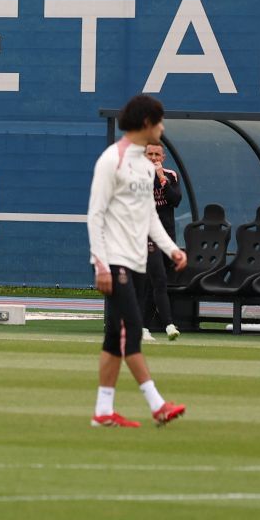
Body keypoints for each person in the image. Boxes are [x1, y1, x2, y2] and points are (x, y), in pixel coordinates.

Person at [85, 94, 187, 428]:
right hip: (114, 262)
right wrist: (100, 264)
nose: (162, 127)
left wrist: (171, 248)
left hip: (137, 261)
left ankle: (103, 411)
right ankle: (157, 405)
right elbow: (95, 215)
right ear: (146, 124)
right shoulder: (110, 160)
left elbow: (150, 218)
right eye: (158, 121)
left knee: (115, 338)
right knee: (131, 331)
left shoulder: (146, 166)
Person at [139, 142, 183, 343]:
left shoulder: (170, 175)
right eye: (150, 154)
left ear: (163, 157)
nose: (154, 157)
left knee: (152, 283)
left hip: (167, 237)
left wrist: (162, 178)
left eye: (157, 154)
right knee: (158, 279)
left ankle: (142, 327)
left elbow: (175, 199)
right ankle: (169, 324)